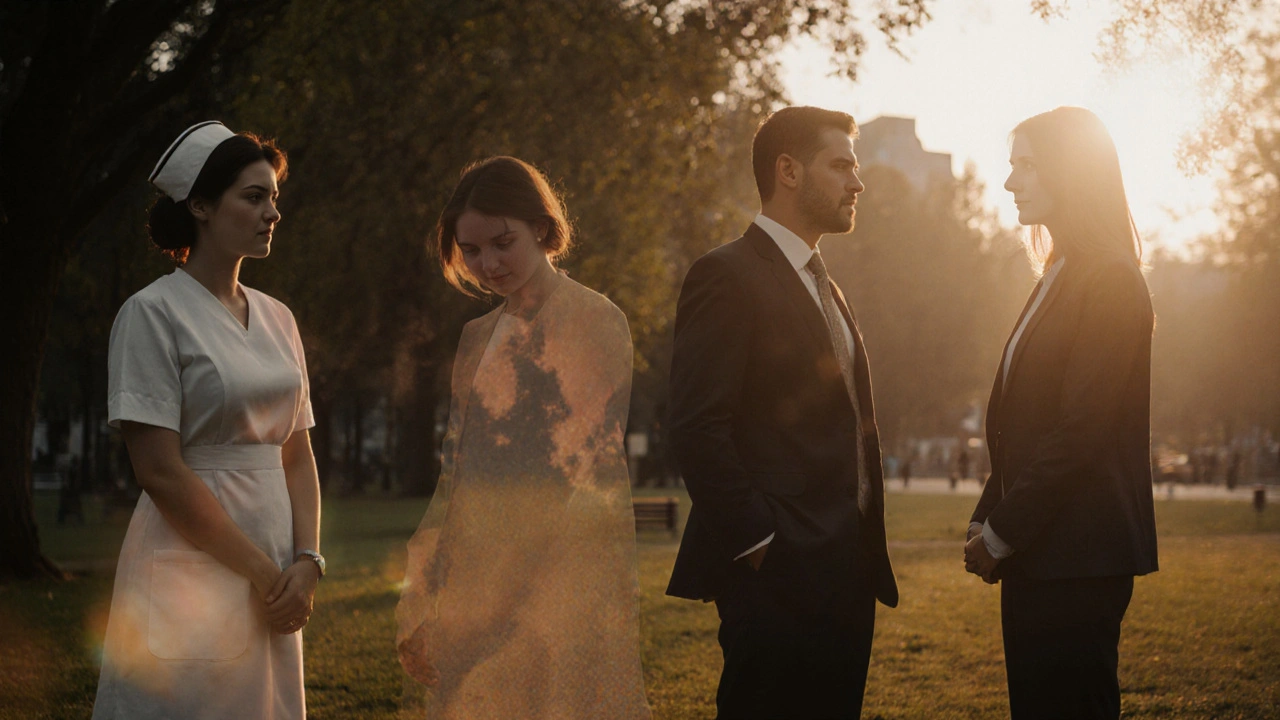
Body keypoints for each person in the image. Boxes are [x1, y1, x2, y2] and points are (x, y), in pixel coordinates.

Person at [395, 156, 650, 719]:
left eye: (502, 242)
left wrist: (489, 600)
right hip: (477, 575)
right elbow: (454, 474)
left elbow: (567, 471)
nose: (489, 263)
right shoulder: (476, 335)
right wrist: (428, 590)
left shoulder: (594, 320)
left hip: (562, 574)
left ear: (540, 226)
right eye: (472, 250)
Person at [665, 106, 898, 718]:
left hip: (847, 571)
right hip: (777, 575)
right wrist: (760, 540)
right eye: (842, 164)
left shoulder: (823, 281)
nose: (858, 182)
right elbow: (695, 424)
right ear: (788, 170)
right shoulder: (726, 275)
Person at [94, 122, 322, 719]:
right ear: (199, 204)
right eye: (254, 196)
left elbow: (296, 454)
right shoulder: (151, 314)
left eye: (274, 197)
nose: (272, 211)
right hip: (193, 556)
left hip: (277, 562)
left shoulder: (279, 318)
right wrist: (259, 572)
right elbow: (160, 471)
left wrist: (306, 562)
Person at [964, 107, 1159, 719]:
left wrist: (1002, 531)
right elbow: (1023, 422)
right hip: (1044, 552)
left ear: (1071, 172)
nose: (1010, 181)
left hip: (1078, 556)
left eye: (1026, 164)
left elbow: (1081, 430)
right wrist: (987, 515)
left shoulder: (1111, 280)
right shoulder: (1061, 272)